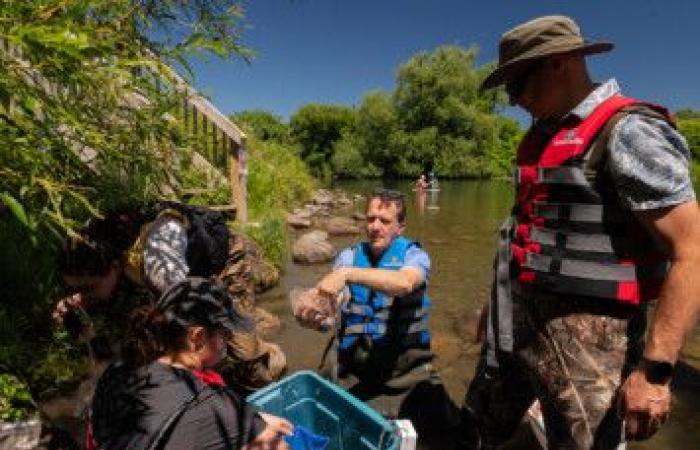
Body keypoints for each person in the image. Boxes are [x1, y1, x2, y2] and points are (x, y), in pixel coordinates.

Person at [458, 16, 700, 450]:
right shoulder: (541, 138)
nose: (512, 99)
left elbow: (693, 250)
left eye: (517, 83)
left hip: (591, 363)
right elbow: (523, 233)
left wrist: (656, 372)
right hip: (514, 336)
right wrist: (490, 311)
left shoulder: (628, 132)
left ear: (560, 63)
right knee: (480, 427)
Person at [53, 201, 286, 392]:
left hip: (226, 263)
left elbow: (195, 313)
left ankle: (270, 361)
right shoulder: (103, 246)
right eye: (74, 289)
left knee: (241, 354)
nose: (81, 295)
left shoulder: (159, 266)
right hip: (184, 274)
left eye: (88, 288)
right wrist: (80, 301)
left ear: (114, 266)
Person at [293, 189, 458, 441]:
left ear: (400, 227)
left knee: (447, 432)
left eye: (384, 221)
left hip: (406, 374)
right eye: (370, 219)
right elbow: (332, 310)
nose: (375, 226)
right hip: (355, 371)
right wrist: (313, 315)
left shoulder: (415, 256)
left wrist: (348, 274)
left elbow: (405, 283)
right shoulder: (348, 256)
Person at [89, 277, 291, 450]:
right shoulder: (213, 406)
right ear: (198, 337)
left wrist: (251, 421)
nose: (227, 341)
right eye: (225, 333)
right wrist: (250, 425)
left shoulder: (117, 372)